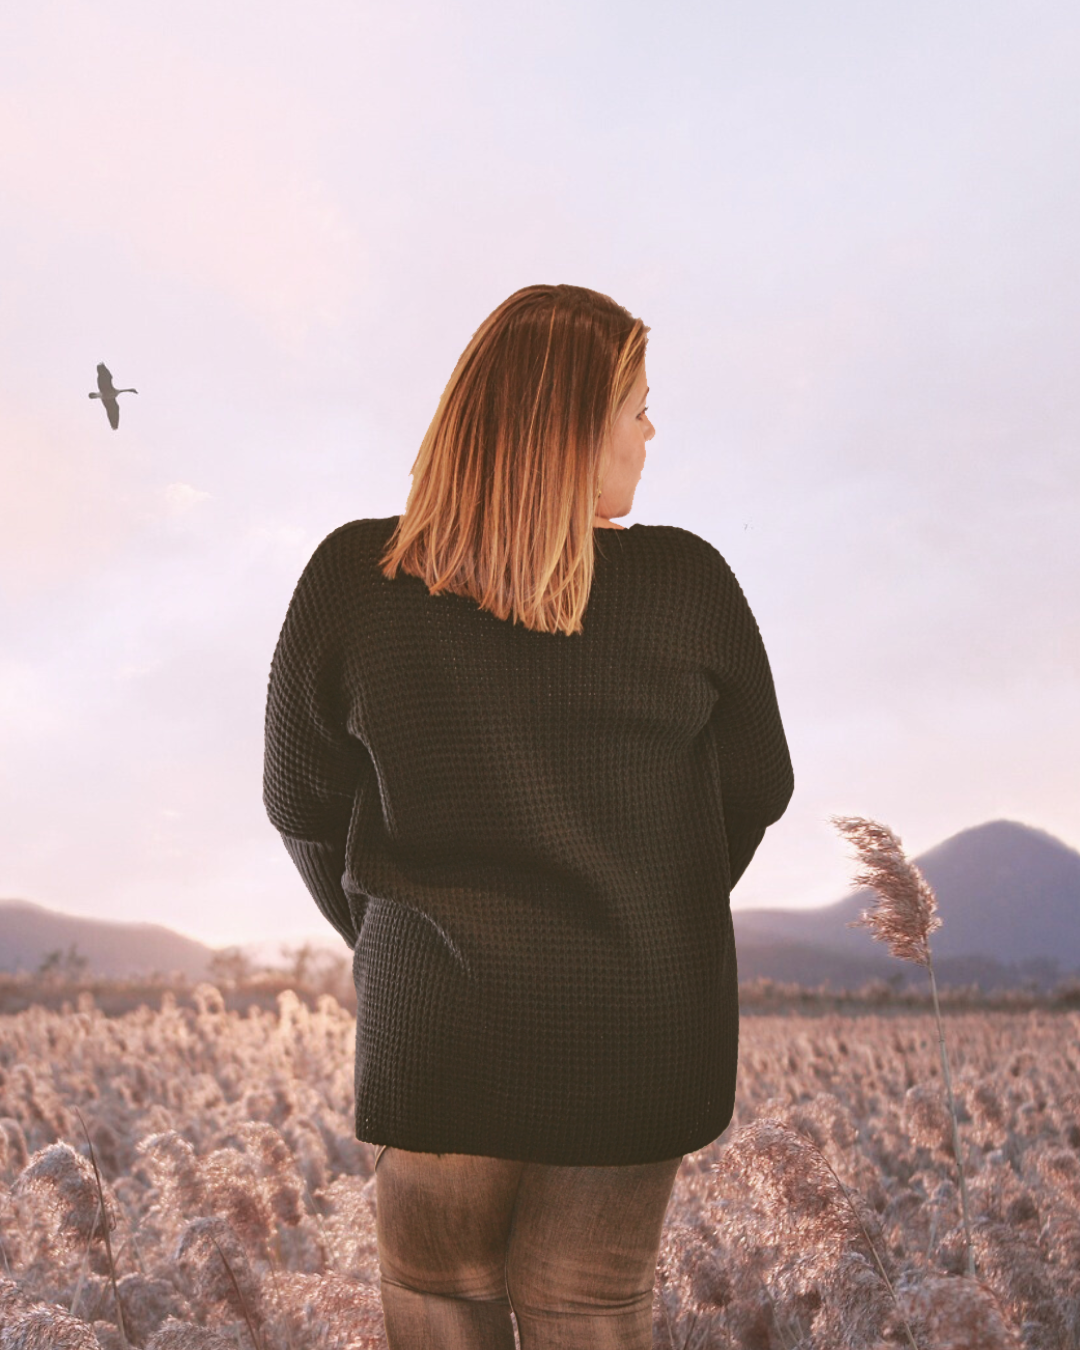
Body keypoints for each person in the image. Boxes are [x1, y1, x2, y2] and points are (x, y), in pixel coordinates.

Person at [263, 283, 794, 1348]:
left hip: (438, 1032)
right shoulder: (689, 584)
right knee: (590, 1306)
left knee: (439, 1302)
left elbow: (303, 804)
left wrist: (389, 943)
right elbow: (758, 792)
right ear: (565, 428)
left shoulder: (352, 580)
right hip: (636, 1034)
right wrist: (641, 906)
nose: (652, 428)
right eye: (636, 403)